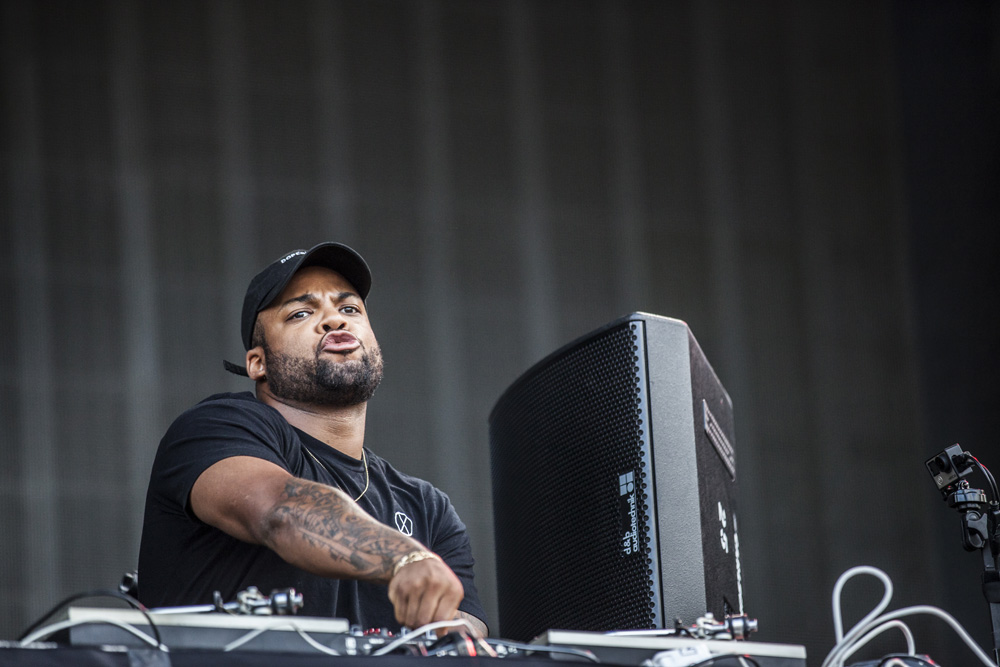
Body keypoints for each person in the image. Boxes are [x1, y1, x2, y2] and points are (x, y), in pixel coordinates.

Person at [137, 242, 488, 636]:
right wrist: (403, 557)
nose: (334, 321)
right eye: (302, 313)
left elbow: (467, 636)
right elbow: (280, 511)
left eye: (350, 309)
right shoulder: (219, 426)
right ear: (258, 363)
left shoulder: (428, 510)